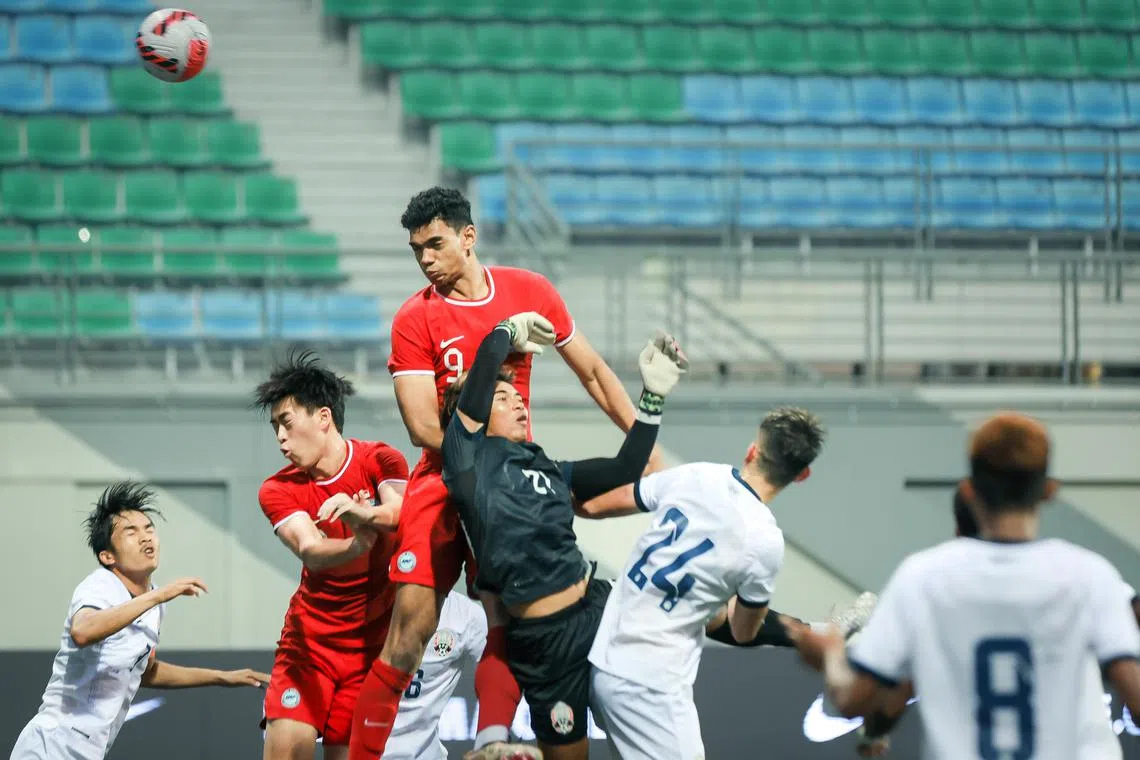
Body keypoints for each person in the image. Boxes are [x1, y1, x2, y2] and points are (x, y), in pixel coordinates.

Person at [350, 187, 661, 760]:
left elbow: (592, 371)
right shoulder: (414, 318)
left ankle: (492, 741)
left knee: (506, 622)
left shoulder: (530, 292)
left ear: (469, 238)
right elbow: (422, 426)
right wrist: (475, 463)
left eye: (435, 244)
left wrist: (649, 453)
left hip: (512, 482)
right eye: (416, 250)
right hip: (442, 481)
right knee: (409, 635)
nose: (425, 259)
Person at [788, 412, 1140, 760]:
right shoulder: (1092, 577)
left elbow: (854, 700)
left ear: (970, 490)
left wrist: (831, 652)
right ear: (1049, 491)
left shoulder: (923, 579)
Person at [441, 313, 688, 760]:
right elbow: (472, 395)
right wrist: (502, 333)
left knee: (678, 594)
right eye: (503, 397)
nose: (519, 404)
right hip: (543, 639)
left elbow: (626, 467)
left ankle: (812, 632)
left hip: (597, 607)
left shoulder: (550, 468)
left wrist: (652, 399)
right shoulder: (466, 462)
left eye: (519, 397)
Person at [581, 408, 830, 760]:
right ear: (802, 475)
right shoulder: (764, 541)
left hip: (605, 663)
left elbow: (600, 505)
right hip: (654, 685)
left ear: (751, 451)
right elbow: (742, 632)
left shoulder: (698, 474)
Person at [843, 485, 1140, 759]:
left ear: (958, 530)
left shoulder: (928, 584)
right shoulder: (1087, 575)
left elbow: (891, 695)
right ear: (1041, 499)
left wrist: (872, 734)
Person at [9, 482, 268, 760]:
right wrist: (159, 596)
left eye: (149, 528)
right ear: (107, 556)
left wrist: (222, 677)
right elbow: (82, 631)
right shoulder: (101, 585)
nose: (146, 538)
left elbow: (145, 671)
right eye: (130, 532)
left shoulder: (153, 601)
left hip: (88, 750)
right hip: (52, 744)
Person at [254, 353, 410, 760]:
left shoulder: (381, 459)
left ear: (324, 417)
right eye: (275, 429)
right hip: (308, 649)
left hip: (369, 650)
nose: (280, 439)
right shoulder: (277, 488)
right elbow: (310, 549)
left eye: (286, 424)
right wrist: (358, 544)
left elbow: (399, 512)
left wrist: (363, 513)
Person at [388, 591, 490, 760]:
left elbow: (499, 678)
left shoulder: (466, 616)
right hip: (362, 751)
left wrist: (490, 740)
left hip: (424, 755)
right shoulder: (366, 606)